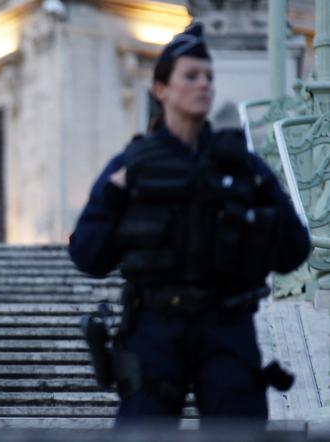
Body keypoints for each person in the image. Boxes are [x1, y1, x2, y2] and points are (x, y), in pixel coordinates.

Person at [68, 23, 310, 428]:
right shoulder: (133, 166)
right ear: (161, 90)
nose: (204, 86)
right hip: (154, 330)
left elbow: (295, 250)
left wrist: (258, 222)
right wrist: (114, 193)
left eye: (209, 78)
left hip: (227, 328)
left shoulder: (241, 165)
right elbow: (88, 255)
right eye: (191, 77)